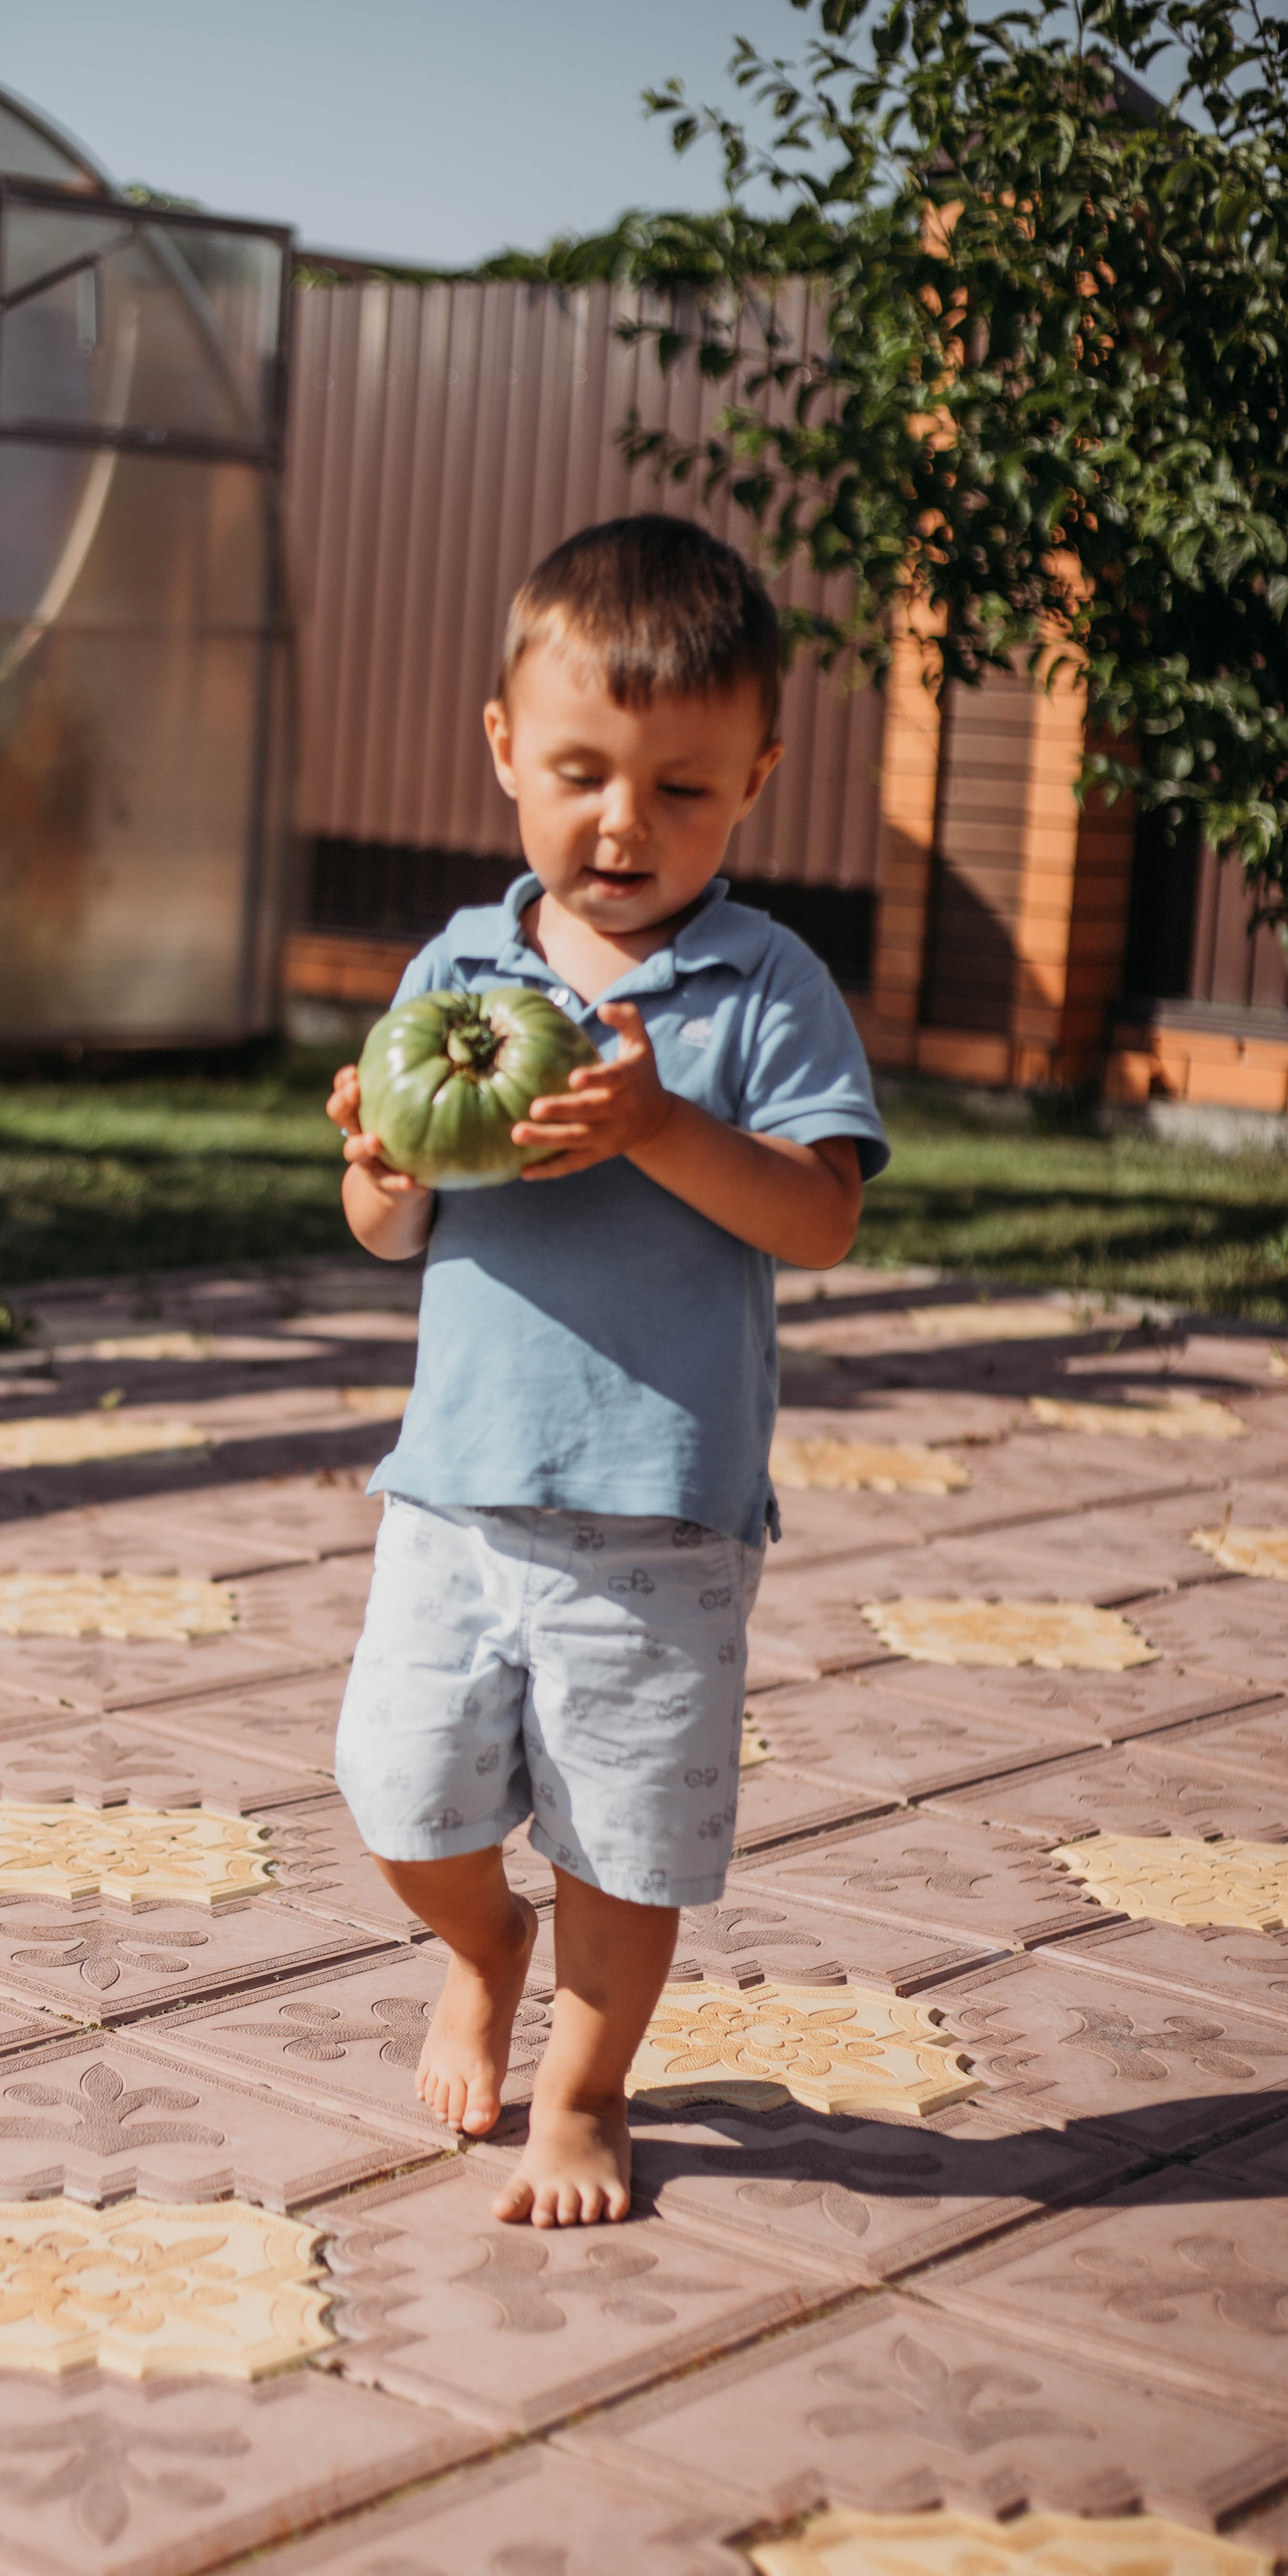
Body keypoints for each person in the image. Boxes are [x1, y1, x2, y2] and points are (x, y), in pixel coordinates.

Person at [327, 514, 888, 2229]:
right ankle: (478, 1949)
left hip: (659, 1514)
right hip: (453, 1493)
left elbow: (816, 1222)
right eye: (579, 771)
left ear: (753, 782)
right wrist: (382, 1163)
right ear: (502, 750)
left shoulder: (763, 985)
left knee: (618, 1849)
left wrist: (653, 1123)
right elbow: (382, 1230)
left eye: (681, 789)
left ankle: (585, 2091)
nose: (622, 823)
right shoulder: (458, 969)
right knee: (400, 1798)